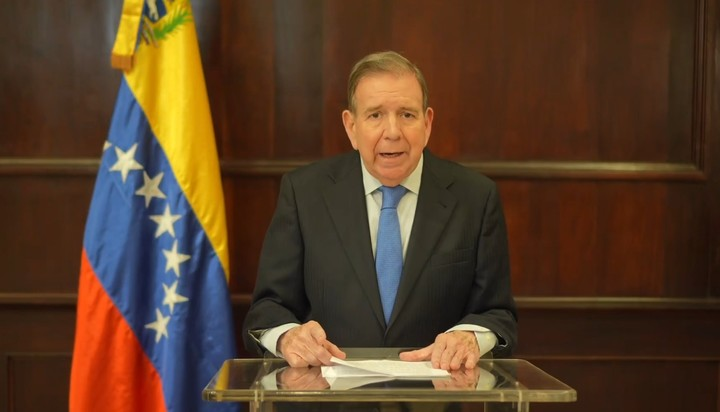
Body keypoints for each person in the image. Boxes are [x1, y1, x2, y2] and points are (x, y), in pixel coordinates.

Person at [242, 50, 517, 371]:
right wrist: (288, 337)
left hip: (435, 392)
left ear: (427, 123)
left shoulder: (475, 197)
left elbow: (498, 314)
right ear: (351, 126)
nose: (393, 132)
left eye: (407, 115)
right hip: (328, 393)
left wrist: (471, 337)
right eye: (375, 115)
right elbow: (267, 309)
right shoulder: (305, 194)